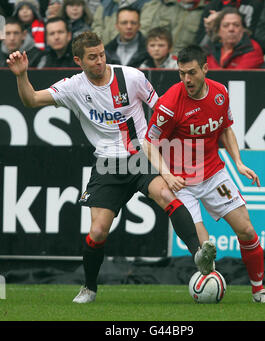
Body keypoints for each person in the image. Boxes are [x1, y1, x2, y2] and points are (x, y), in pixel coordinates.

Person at [7, 31, 214, 304]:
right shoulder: (73, 87)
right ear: (78, 60)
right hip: (106, 164)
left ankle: (199, 254)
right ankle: (89, 288)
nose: (99, 61)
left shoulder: (132, 77)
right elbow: (31, 100)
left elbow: (163, 111)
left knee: (166, 195)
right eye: (92, 57)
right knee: (98, 231)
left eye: (102, 54)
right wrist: (22, 75)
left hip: (140, 156)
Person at [143, 45, 265, 304]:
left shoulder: (220, 93)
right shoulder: (170, 104)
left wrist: (237, 162)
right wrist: (167, 175)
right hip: (182, 182)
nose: (186, 79)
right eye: (181, 73)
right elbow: (149, 142)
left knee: (247, 230)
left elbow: (225, 129)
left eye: (192, 72)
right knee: (204, 248)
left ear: (205, 68)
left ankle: (259, 291)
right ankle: (209, 280)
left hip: (214, 173)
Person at [195, 0, 264, 47]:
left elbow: (253, 37)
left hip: (242, 51)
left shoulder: (255, 4)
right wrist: (210, 28)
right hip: (215, 50)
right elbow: (200, 43)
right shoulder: (213, 5)